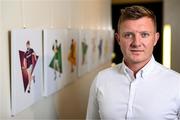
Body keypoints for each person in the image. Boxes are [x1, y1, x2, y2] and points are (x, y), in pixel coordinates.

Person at [86, 5, 180, 120]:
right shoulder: (101, 80)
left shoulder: (176, 84)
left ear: (155, 38)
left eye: (144, 34)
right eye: (128, 35)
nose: (136, 43)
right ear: (118, 39)